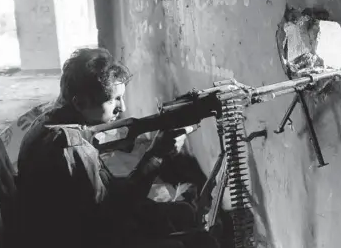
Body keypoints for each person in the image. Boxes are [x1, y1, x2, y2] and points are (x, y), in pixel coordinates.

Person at [16, 48, 219, 248]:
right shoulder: (70, 146)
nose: (122, 107)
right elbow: (112, 215)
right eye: (113, 99)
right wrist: (155, 155)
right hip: (82, 237)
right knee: (201, 242)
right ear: (79, 103)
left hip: (63, 225)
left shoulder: (46, 120)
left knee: (182, 212)